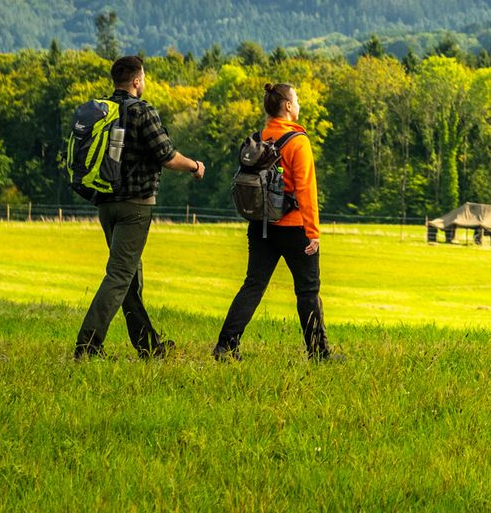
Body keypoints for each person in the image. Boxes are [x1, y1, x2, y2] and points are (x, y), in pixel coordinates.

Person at [73, 55, 206, 359]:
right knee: (120, 275)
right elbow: (167, 155)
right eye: (143, 77)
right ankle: (87, 346)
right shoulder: (142, 111)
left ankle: (149, 346)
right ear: (136, 81)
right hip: (135, 207)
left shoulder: (103, 112)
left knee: (131, 277)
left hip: (106, 203)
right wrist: (195, 166)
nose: (144, 82)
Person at [213, 82, 338, 361]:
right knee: (307, 290)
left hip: (260, 226)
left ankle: (225, 345)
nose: (300, 104)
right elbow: (306, 189)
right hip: (294, 228)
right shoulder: (298, 142)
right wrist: (313, 232)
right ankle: (319, 353)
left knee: (253, 285)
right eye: (297, 100)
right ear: (288, 106)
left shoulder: (257, 139)